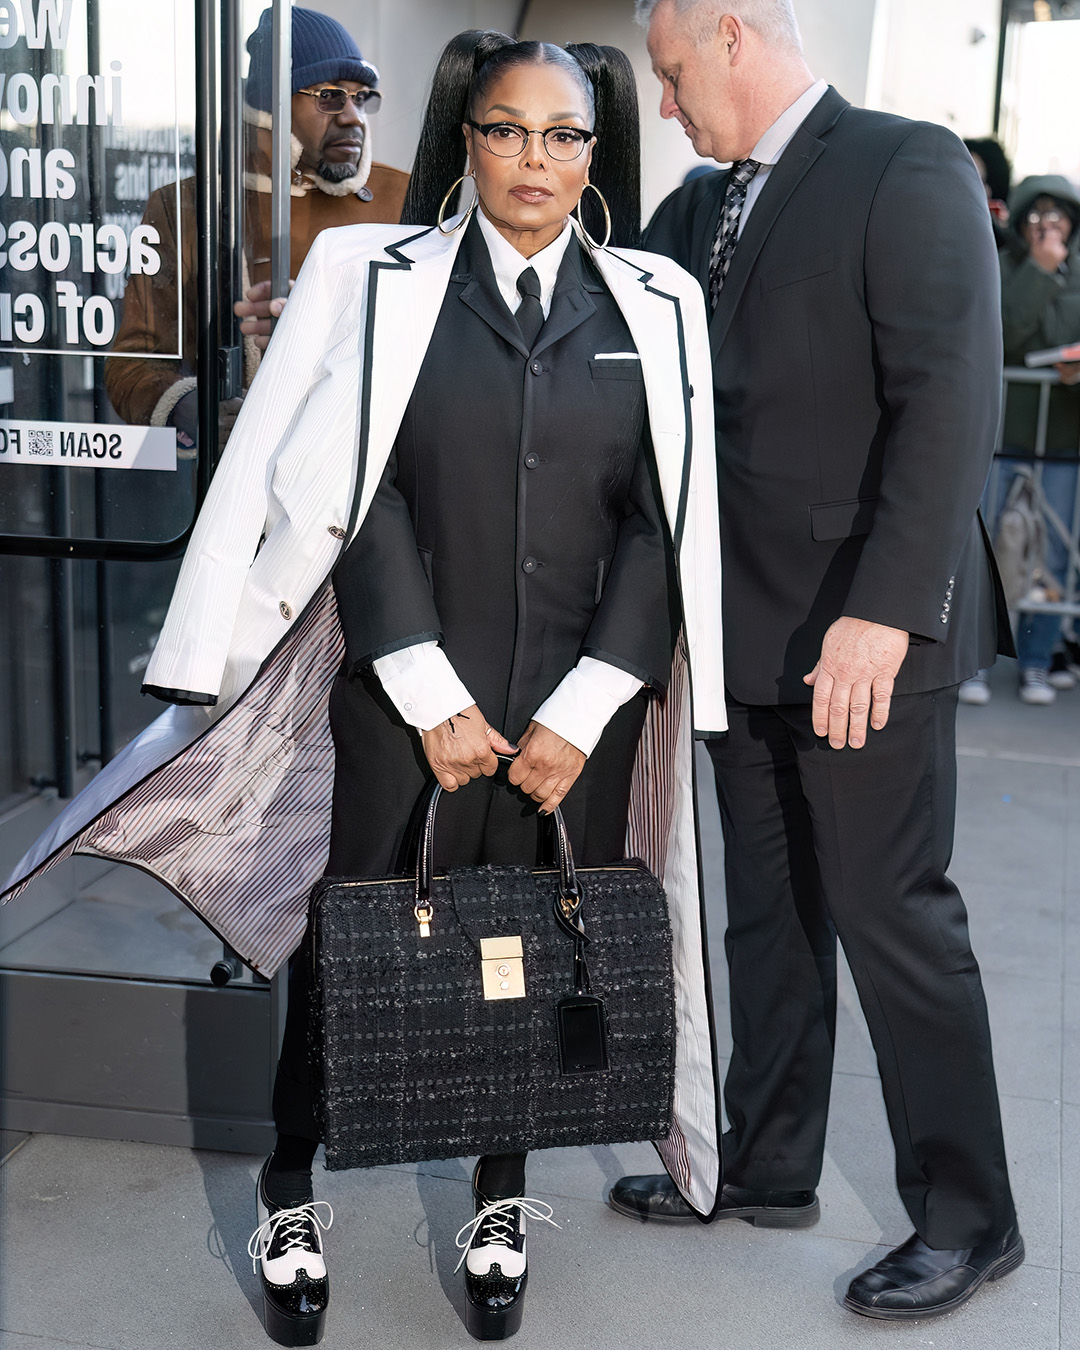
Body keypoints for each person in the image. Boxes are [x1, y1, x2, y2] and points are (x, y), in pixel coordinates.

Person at [1, 30, 725, 1348]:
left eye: (564, 135)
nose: (537, 159)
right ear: (467, 136)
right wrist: (424, 680)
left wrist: (586, 706)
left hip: (579, 717)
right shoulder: (371, 275)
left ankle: (501, 1199)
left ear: (595, 151)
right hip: (402, 696)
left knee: (520, 946)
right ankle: (293, 1183)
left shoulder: (654, 301)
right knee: (349, 939)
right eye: (508, 128)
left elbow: (662, 523)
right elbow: (355, 482)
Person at [607, 0, 1023, 1323]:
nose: (664, 104)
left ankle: (971, 1217)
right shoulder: (691, 213)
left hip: (861, 637)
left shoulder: (905, 164)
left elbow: (953, 394)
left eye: (671, 74)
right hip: (737, 637)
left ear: (730, 32)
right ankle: (767, 1163)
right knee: (767, 919)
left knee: (891, 915)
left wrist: (888, 610)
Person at [104, 6, 409, 449]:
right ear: (269, 105)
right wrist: (200, 409)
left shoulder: (402, 198)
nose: (353, 117)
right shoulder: (186, 207)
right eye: (329, 96)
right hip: (241, 481)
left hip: (368, 472)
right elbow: (131, 364)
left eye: (362, 98)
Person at [991, 175, 1080, 706]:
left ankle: (1038, 659)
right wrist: (1040, 272)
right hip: (1006, 435)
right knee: (992, 550)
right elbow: (1004, 333)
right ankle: (979, 661)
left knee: (1054, 555)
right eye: (1037, 215)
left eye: (1059, 215)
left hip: (1061, 438)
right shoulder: (1006, 267)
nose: (1048, 225)